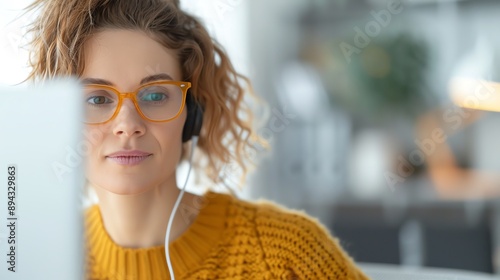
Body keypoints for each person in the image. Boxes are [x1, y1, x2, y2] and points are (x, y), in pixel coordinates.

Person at [26, 0, 370, 279]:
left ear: (192, 113)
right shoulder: (37, 261)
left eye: (155, 95)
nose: (127, 125)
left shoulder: (287, 255)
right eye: (97, 99)